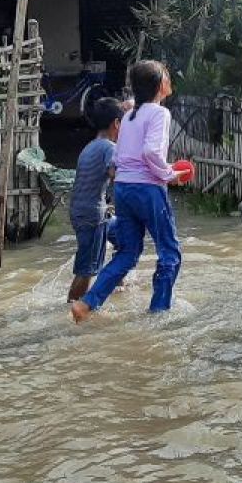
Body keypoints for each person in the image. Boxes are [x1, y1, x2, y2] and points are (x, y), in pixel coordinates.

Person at [71, 61, 189, 323]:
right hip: (147, 188)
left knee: (128, 253)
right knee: (170, 252)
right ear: (160, 86)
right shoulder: (160, 114)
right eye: (167, 77)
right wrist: (169, 174)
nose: (170, 80)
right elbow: (149, 152)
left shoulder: (129, 114)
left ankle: (87, 303)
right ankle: (158, 313)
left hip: (123, 188)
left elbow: (131, 107)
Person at [66, 97, 124, 303]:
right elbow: (116, 173)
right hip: (93, 214)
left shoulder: (89, 147)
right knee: (87, 269)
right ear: (116, 124)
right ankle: (73, 309)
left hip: (83, 211)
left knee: (125, 238)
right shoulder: (110, 147)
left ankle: (117, 285)